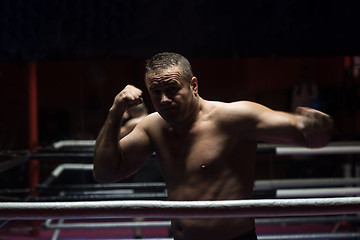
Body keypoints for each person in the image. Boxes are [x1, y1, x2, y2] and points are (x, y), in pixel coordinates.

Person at [93, 52, 334, 240]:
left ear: (194, 85)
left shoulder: (235, 117)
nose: (164, 100)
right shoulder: (152, 127)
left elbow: (311, 137)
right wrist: (115, 112)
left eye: (172, 89)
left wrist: (317, 125)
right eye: (156, 92)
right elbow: (105, 173)